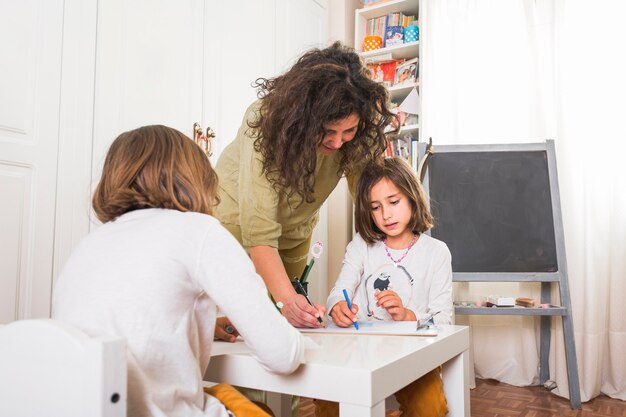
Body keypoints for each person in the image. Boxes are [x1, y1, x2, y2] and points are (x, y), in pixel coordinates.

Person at [52, 125, 304, 417]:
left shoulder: (89, 244)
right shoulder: (199, 231)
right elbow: (282, 356)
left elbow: (132, 319)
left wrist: (204, 326)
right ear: (195, 176)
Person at [215, 41, 395, 329]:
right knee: (249, 322)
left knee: (288, 321)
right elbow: (258, 232)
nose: (338, 143)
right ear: (303, 120)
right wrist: (286, 301)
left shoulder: (362, 127)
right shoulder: (263, 120)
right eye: (327, 132)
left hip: (296, 230)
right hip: (236, 225)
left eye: (348, 131)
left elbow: (370, 199)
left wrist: (398, 258)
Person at [319, 157, 453, 417]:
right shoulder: (361, 245)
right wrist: (337, 306)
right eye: (375, 208)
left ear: (412, 198)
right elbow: (339, 291)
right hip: (359, 353)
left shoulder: (436, 252)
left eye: (394, 202)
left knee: (430, 409)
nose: (386, 215)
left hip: (414, 356)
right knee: (329, 402)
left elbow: (443, 320)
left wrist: (406, 316)